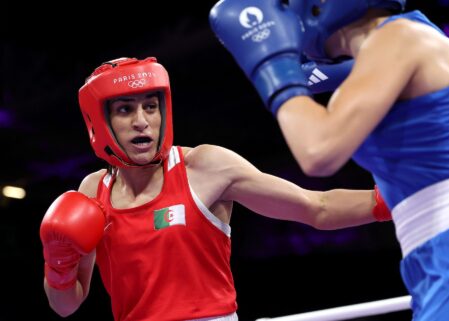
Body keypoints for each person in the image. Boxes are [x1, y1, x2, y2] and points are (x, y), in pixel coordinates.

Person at [39, 57, 392, 321]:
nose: (142, 120)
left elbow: (318, 207)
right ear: (100, 121)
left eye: (150, 106)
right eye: (125, 109)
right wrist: (59, 266)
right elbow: (66, 306)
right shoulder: (91, 192)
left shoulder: (204, 167)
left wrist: (397, 198)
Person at [209, 1, 449, 320]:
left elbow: (318, 151)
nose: (284, 12)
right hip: (437, 250)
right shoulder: (393, 47)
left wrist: (273, 67)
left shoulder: (399, 37)